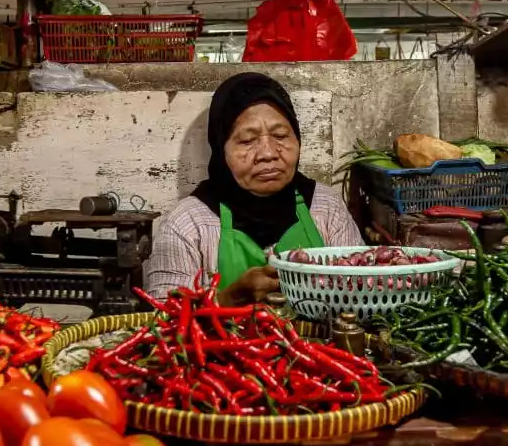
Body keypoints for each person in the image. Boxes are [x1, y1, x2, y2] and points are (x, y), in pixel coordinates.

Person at [145, 72, 364, 306]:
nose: (268, 154)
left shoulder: (327, 209)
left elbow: (363, 291)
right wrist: (230, 298)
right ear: (220, 148)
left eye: (281, 135)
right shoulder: (188, 224)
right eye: (247, 141)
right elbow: (163, 315)